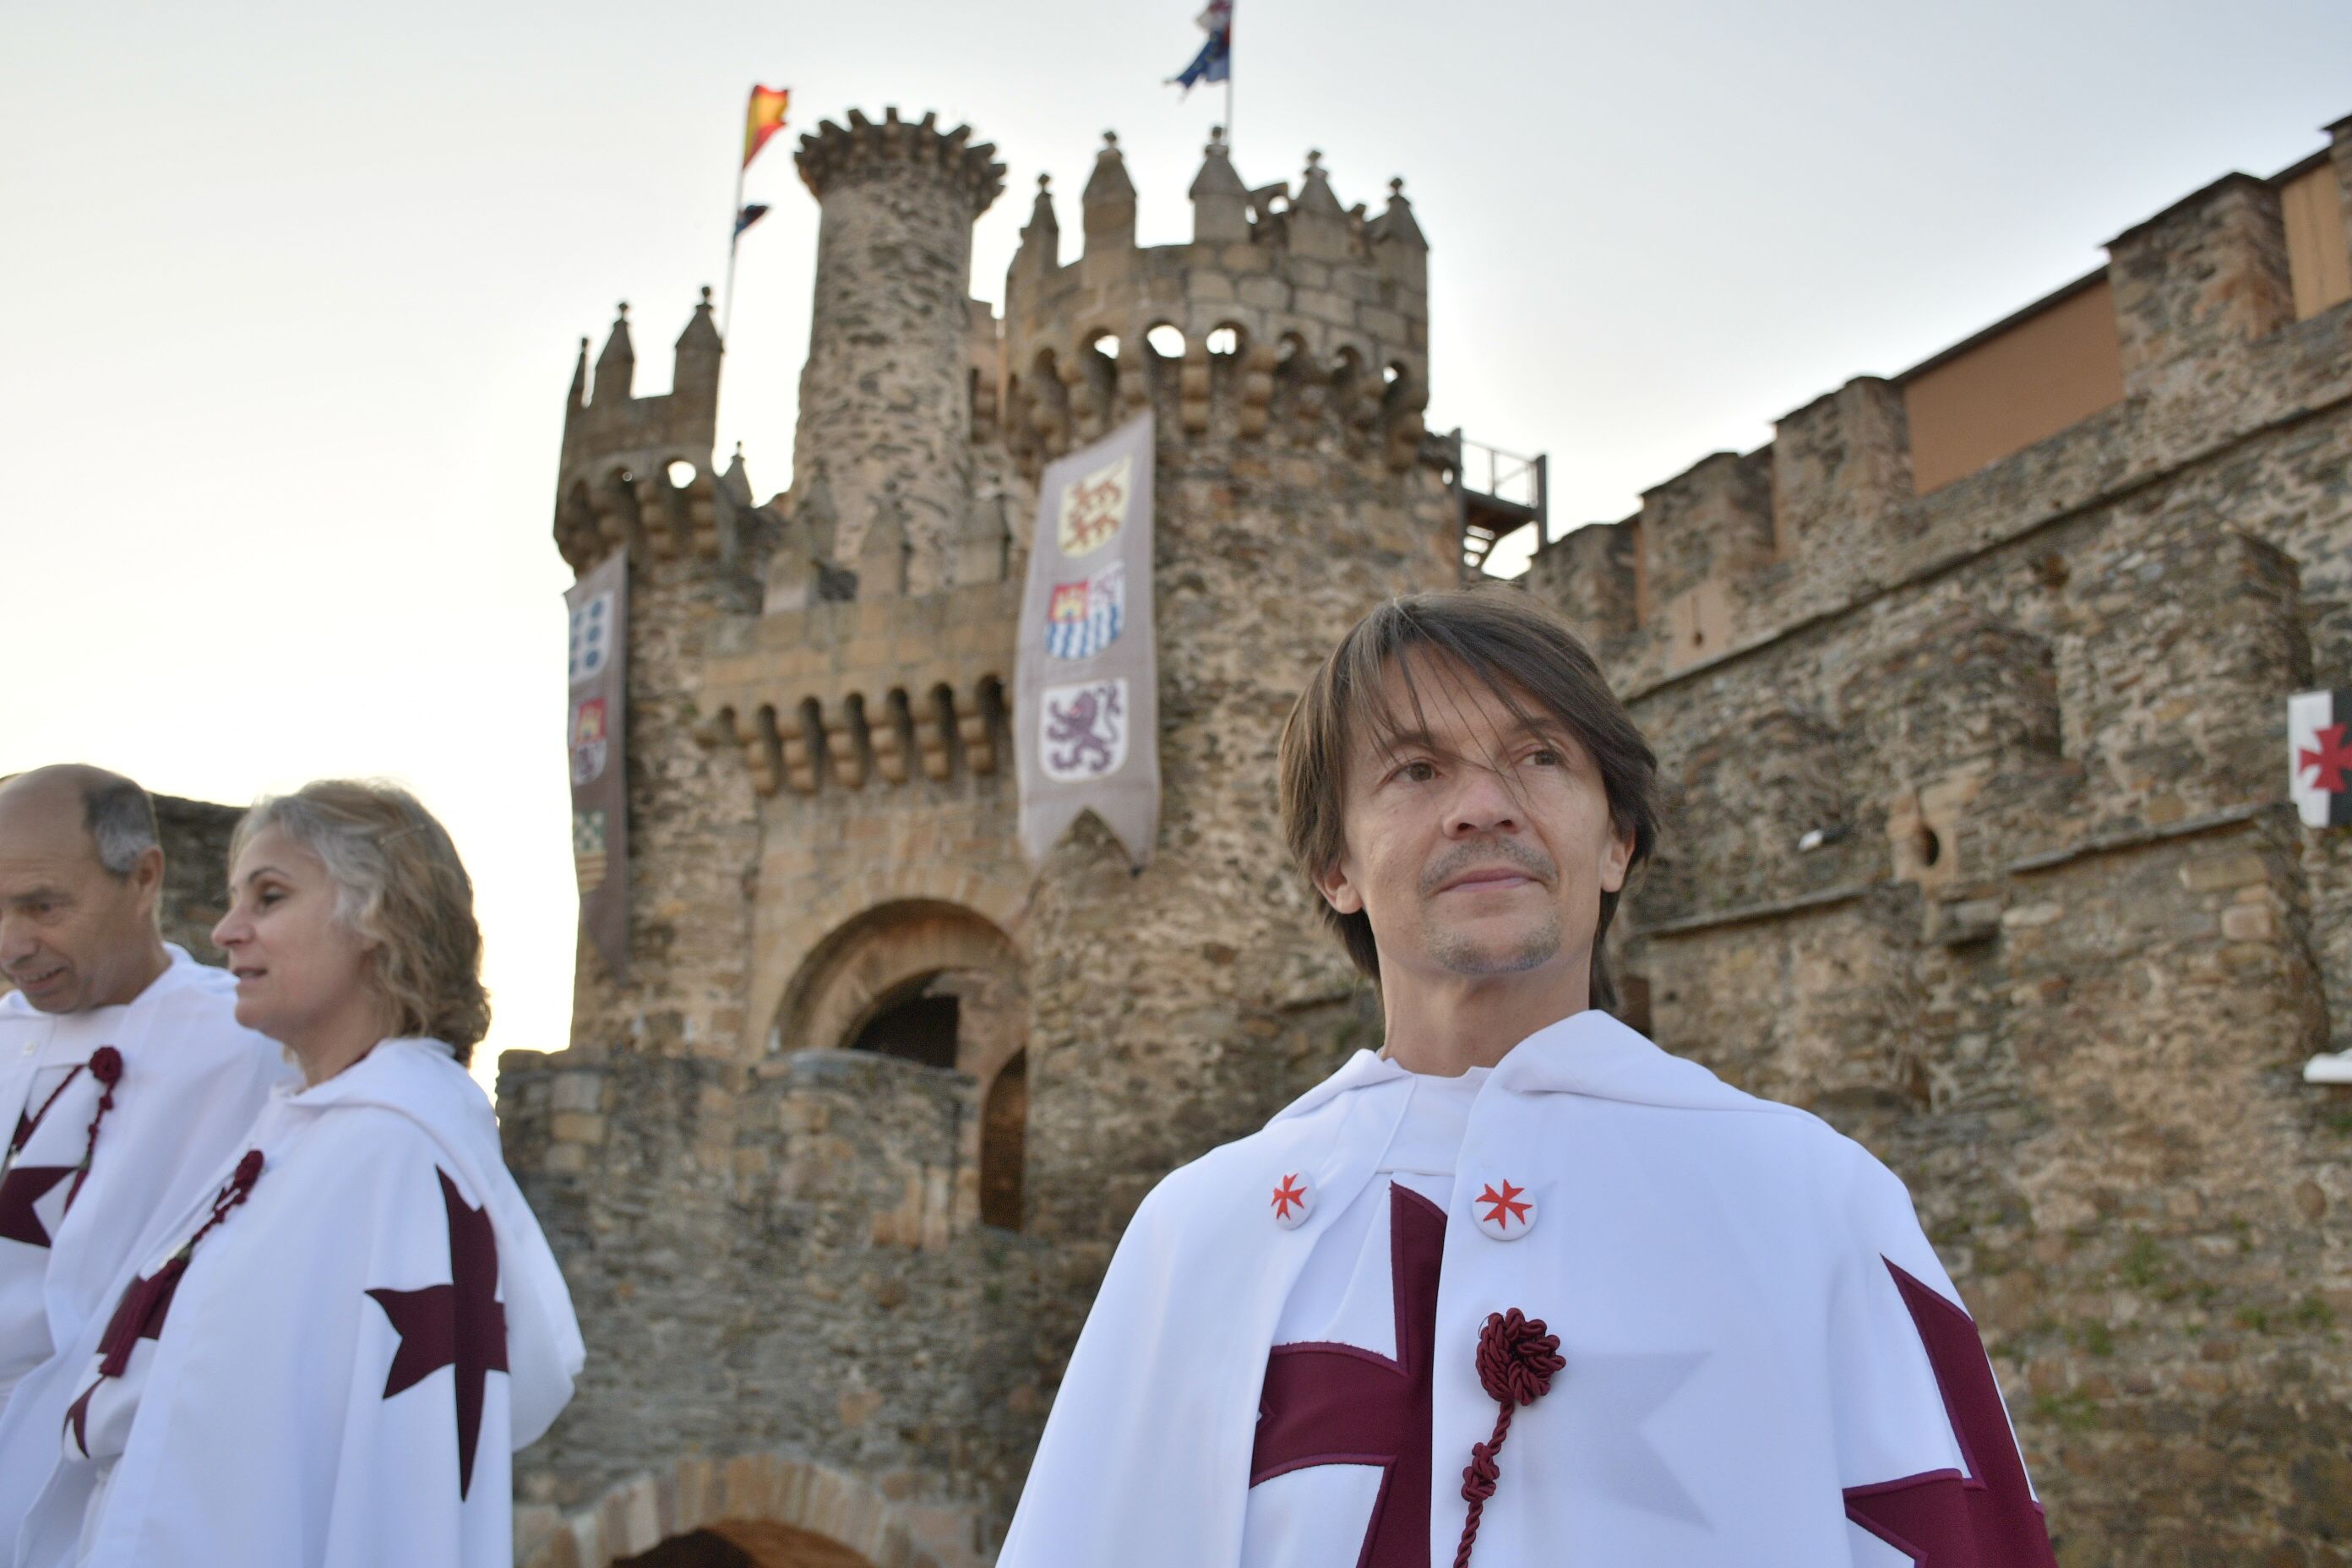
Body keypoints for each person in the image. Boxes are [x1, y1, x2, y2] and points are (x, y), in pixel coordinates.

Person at [999, 589, 2058, 1566]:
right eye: (1416, 770)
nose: (1482, 806)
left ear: (1617, 841)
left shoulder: (1815, 1202)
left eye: (1539, 757)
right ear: (1337, 867)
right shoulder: (1197, 1236)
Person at [14, 780, 583, 1568]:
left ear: (379, 922)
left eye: (269, 897)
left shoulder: (393, 1153)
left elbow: (398, 1480)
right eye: (233, 899)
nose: (224, 931)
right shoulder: (303, 1132)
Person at [0, 766, 293, 1544]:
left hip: (121, 1480)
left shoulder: (248, 1048)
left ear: (144, 877)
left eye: (42, 906)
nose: (13, 945)